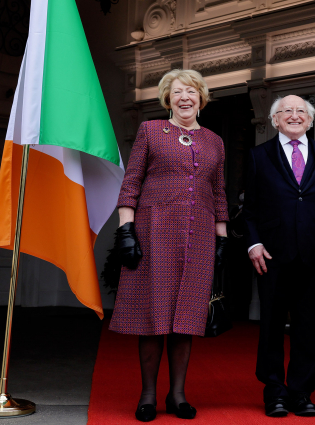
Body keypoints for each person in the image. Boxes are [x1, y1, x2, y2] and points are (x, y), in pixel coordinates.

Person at [110, 69, 229, 422]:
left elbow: (219, 192)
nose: (184, 98)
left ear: (201, 97)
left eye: (191, 91)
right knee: (153, 315)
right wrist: (126, 231)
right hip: (154, 230)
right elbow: (131, 182)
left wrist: (222, 241)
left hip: (201, 236)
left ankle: (177, 394)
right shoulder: (150, 131)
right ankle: (148, 394)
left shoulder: (214, 141)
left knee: (186, 317)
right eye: (177, 92)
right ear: (168, 98)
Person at [243, 95, 315, 418]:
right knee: (270, 325)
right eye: (287, 111)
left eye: (301, 112)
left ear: (310, 120)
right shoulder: (259, 156)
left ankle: (301, 392)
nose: (295, 116)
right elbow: (250, 209)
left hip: (312, 254)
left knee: (307, 327)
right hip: (271, 254)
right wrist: (253, 244)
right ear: (275, 120)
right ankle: (274, 392)